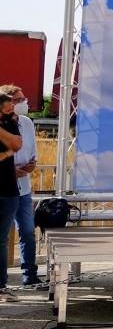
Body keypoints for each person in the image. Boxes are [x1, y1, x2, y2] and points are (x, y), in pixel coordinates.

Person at [0, 86, 39, 287]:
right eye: (18, 99)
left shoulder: (27, 123)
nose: (24, 102)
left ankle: (30, 275)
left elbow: (32, 151)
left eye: (24, 99)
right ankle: (2, 283)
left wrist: (32, 164)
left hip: (22, 188)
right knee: (2, 237)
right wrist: (10, 171)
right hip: (5, 187)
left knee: (28, 231)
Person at [0, 92, 26, 301]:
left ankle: (1, 286)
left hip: (8, 191)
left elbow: (17, 145)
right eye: (8, 107)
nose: (12, 110)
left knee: (1, 240)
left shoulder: (10, 123)